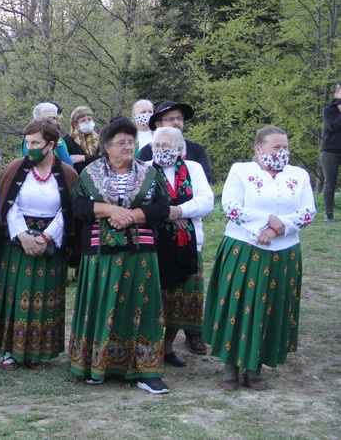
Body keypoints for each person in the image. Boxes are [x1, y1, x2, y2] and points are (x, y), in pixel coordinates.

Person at [203, 125, 315, 391]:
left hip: (283, 253)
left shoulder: (298, 175)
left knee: (270, 307)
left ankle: (256, 368)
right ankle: (230, 366)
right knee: (238, 306)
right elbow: (231, 207)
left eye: (285, 147)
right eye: (276, 147)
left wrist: (278, 228)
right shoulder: (241, 171)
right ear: (259, 149)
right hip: (244, 248)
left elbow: (309, 210)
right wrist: (265, 223)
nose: (282, 152)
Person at [68, 116, 171, 394]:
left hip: (140, 252)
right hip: (100, 253)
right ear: (106, 146)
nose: (128, 146)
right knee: (102, 306)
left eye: (131, 141)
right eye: (121, 142)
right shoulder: (90, 173)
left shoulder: (149, 173)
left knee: (142, 307)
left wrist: (132, 216)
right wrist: (112, 211)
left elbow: (162, 209)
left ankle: (146, 371)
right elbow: (78, 207)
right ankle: (96, 366)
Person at [0, 119, 77, 370]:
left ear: (51, 144)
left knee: (44, 296)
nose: (30, 148)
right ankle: (10, 351)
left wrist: (46, 237)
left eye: (35, 143)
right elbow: (7, 203)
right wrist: (22, 235)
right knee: (14, 296)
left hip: (50, 243)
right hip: (17, 242)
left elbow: (67, 210)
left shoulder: (67, 173)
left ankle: (38, 351)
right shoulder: (15, 168)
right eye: (27, 142)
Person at [147, 127, 213, 368]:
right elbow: (141, 202)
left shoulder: (192, 168)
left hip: (187, 244)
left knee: (181, 297)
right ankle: (149, 346)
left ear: (179, 148)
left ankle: (167, 347)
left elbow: (207, 200)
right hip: (153, 243)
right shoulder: (144, 168)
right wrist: (167, 213)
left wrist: (181, 210)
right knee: (155, 296)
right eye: (157, 146)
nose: (161, 151)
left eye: (166, 146)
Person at [138, 101, 212, 184]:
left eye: (179, 118)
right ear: (158, 124)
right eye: (170, 119)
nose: (176, 122)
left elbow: (205, 179)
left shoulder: (197, 150)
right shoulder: (147, 152)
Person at [20, 103, 74, 167]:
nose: (52, 122)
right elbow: (31, 162)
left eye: (54, 118)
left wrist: (59, 145)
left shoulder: (61, 141)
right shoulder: (30, 139)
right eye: (48, 118)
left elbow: (69, 165)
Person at [320, 81, 341, 222]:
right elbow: (333, 127)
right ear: (337, 93)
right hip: (330, 151)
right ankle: (329, 214)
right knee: (329, 182)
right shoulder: (328, 110)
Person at [64, 106, 101, 173]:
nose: (87, 122)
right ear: (75, 125)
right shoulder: (68, 141)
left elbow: (105, 158)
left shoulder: (100, 139)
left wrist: (84, 158)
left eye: (89, 119)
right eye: (83, 120)